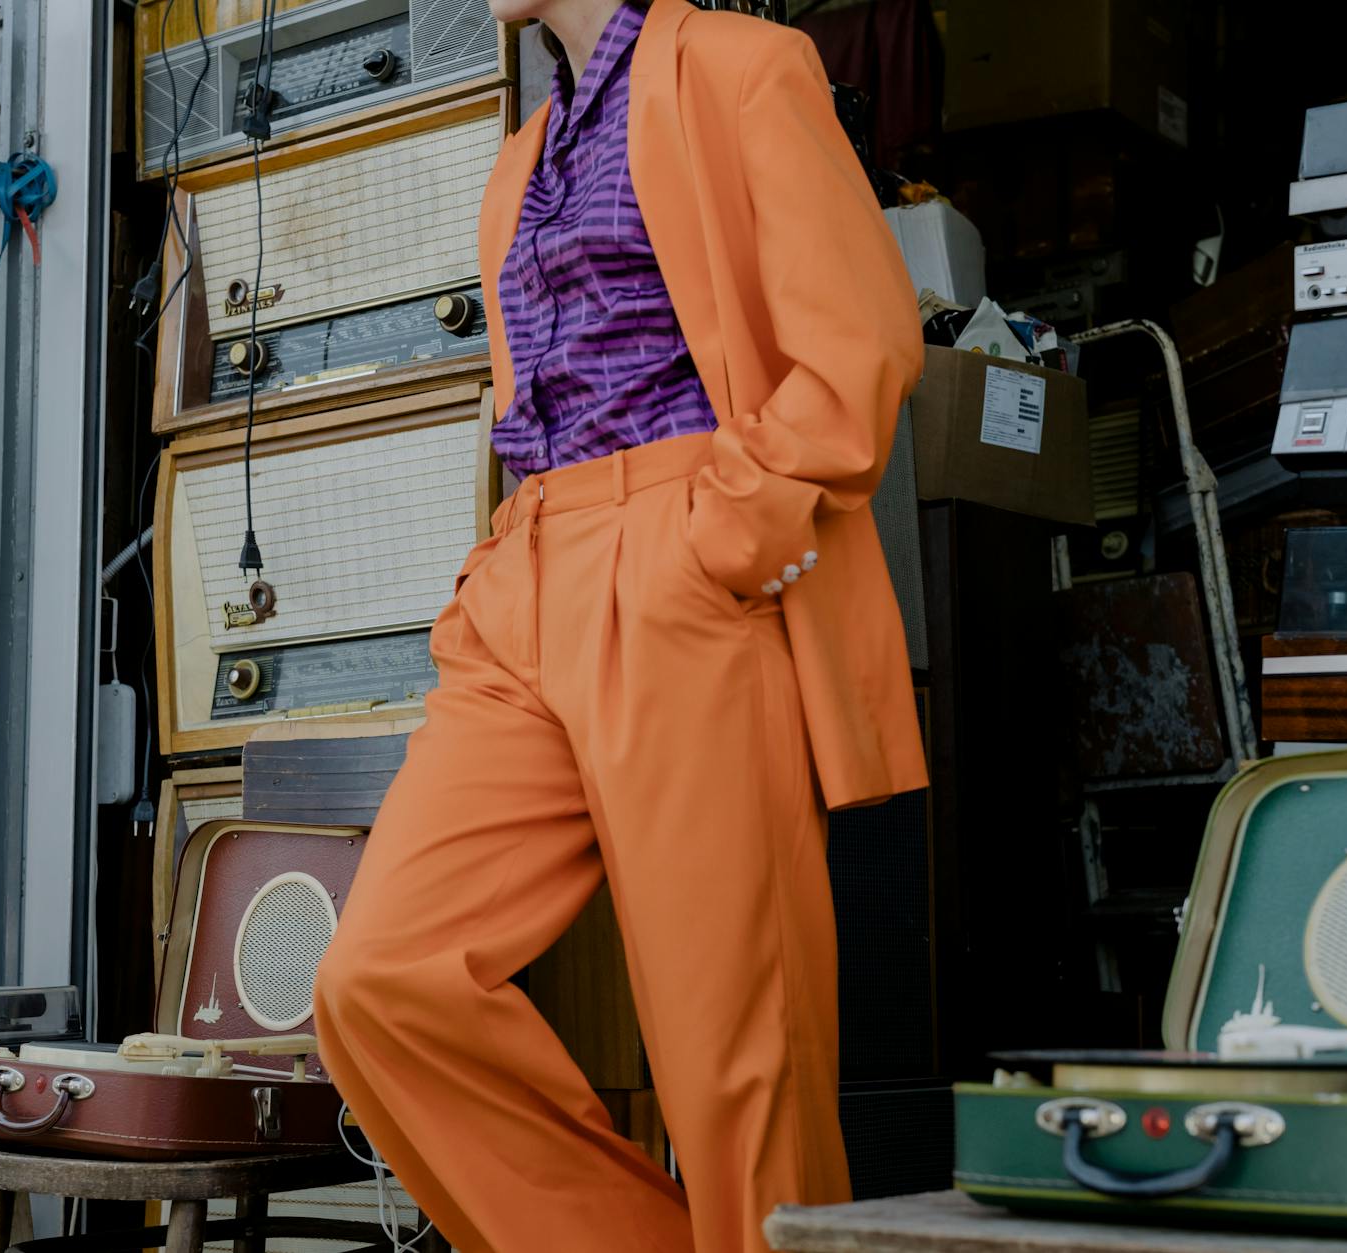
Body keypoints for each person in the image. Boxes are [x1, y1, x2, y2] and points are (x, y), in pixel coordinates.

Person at [312, 0, 924, 1248]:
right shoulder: (521, 157)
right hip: (527, 573)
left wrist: (725, 537)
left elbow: (857, 342)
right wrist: (498, 568)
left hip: (680, 556)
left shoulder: (748, 70)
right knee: (382, 977)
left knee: (730, 1050)